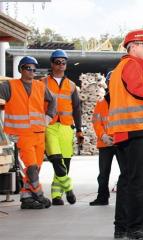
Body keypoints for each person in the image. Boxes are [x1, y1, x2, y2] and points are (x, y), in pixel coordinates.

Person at [108, 29, 143, 239]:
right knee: (138, 181)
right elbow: (139, 90)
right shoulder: (131, 65)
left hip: (123, 132)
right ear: (132, 46)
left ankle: (121, 227)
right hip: (133, 130)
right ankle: (135, 228)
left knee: (127, 181)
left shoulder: (120, 67)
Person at [0, 56, 56, 209]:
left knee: (35, 168)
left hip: (39, 133)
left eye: (33, 69)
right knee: (31, 166)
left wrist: (48, 116)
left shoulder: (40, 86)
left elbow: (53, 100)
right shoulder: (10, 86)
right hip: (22, 134)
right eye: (28, 68)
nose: (31, 71)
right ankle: (39, 194)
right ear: (21, 70)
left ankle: (26, 197)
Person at [42, 49, 83, 206]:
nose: (61, 65)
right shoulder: (42, 83)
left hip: (66, 126)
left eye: (63, 62)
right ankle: (69, 188)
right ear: (52, 64)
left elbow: (77, 109)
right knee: (56, 159)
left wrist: (79, 129)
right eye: (58, 62)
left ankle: (56, 195)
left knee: (65, 162)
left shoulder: (72, 85)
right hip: (50, 125)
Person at [90, 72, 116, 206]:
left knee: (126, 172)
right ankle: (102, 197)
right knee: (103, 173)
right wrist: (103, 136)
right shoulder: (101, 103)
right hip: (105, 143)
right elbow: (96, 122)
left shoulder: (123, 101)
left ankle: (126, 198)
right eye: (110, 81)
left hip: (121, 142)